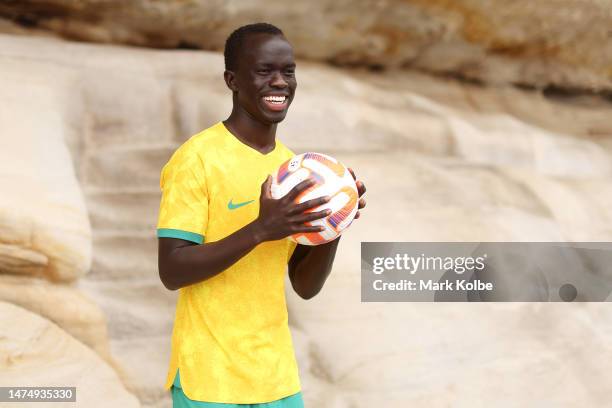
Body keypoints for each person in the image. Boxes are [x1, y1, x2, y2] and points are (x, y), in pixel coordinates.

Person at [156, 23, 366, 408]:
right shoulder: (197, 158)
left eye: (288, 72)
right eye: (264, 70)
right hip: (210, 378)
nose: (279, 82)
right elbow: (172, 270)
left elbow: (305, 286)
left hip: (277, 379)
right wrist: (260, 229)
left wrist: (335, 222)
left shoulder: (293, 170)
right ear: (232, 80)